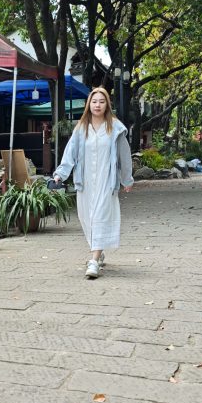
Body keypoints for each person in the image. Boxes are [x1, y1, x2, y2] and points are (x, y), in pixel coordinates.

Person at [52, 87, 133, 279]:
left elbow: (125, 156)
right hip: (85, 181)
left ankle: (94, 261)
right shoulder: (81, 129)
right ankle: (99, 249)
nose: (97, 105)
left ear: (107, 105)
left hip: (106, 181)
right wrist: (60, 175)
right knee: (86, 218)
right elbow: (69, 154)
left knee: (100, 217)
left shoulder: (116, 128)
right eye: (94, 101)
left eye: (102, 101)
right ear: (89, 104)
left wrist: (126, 179)